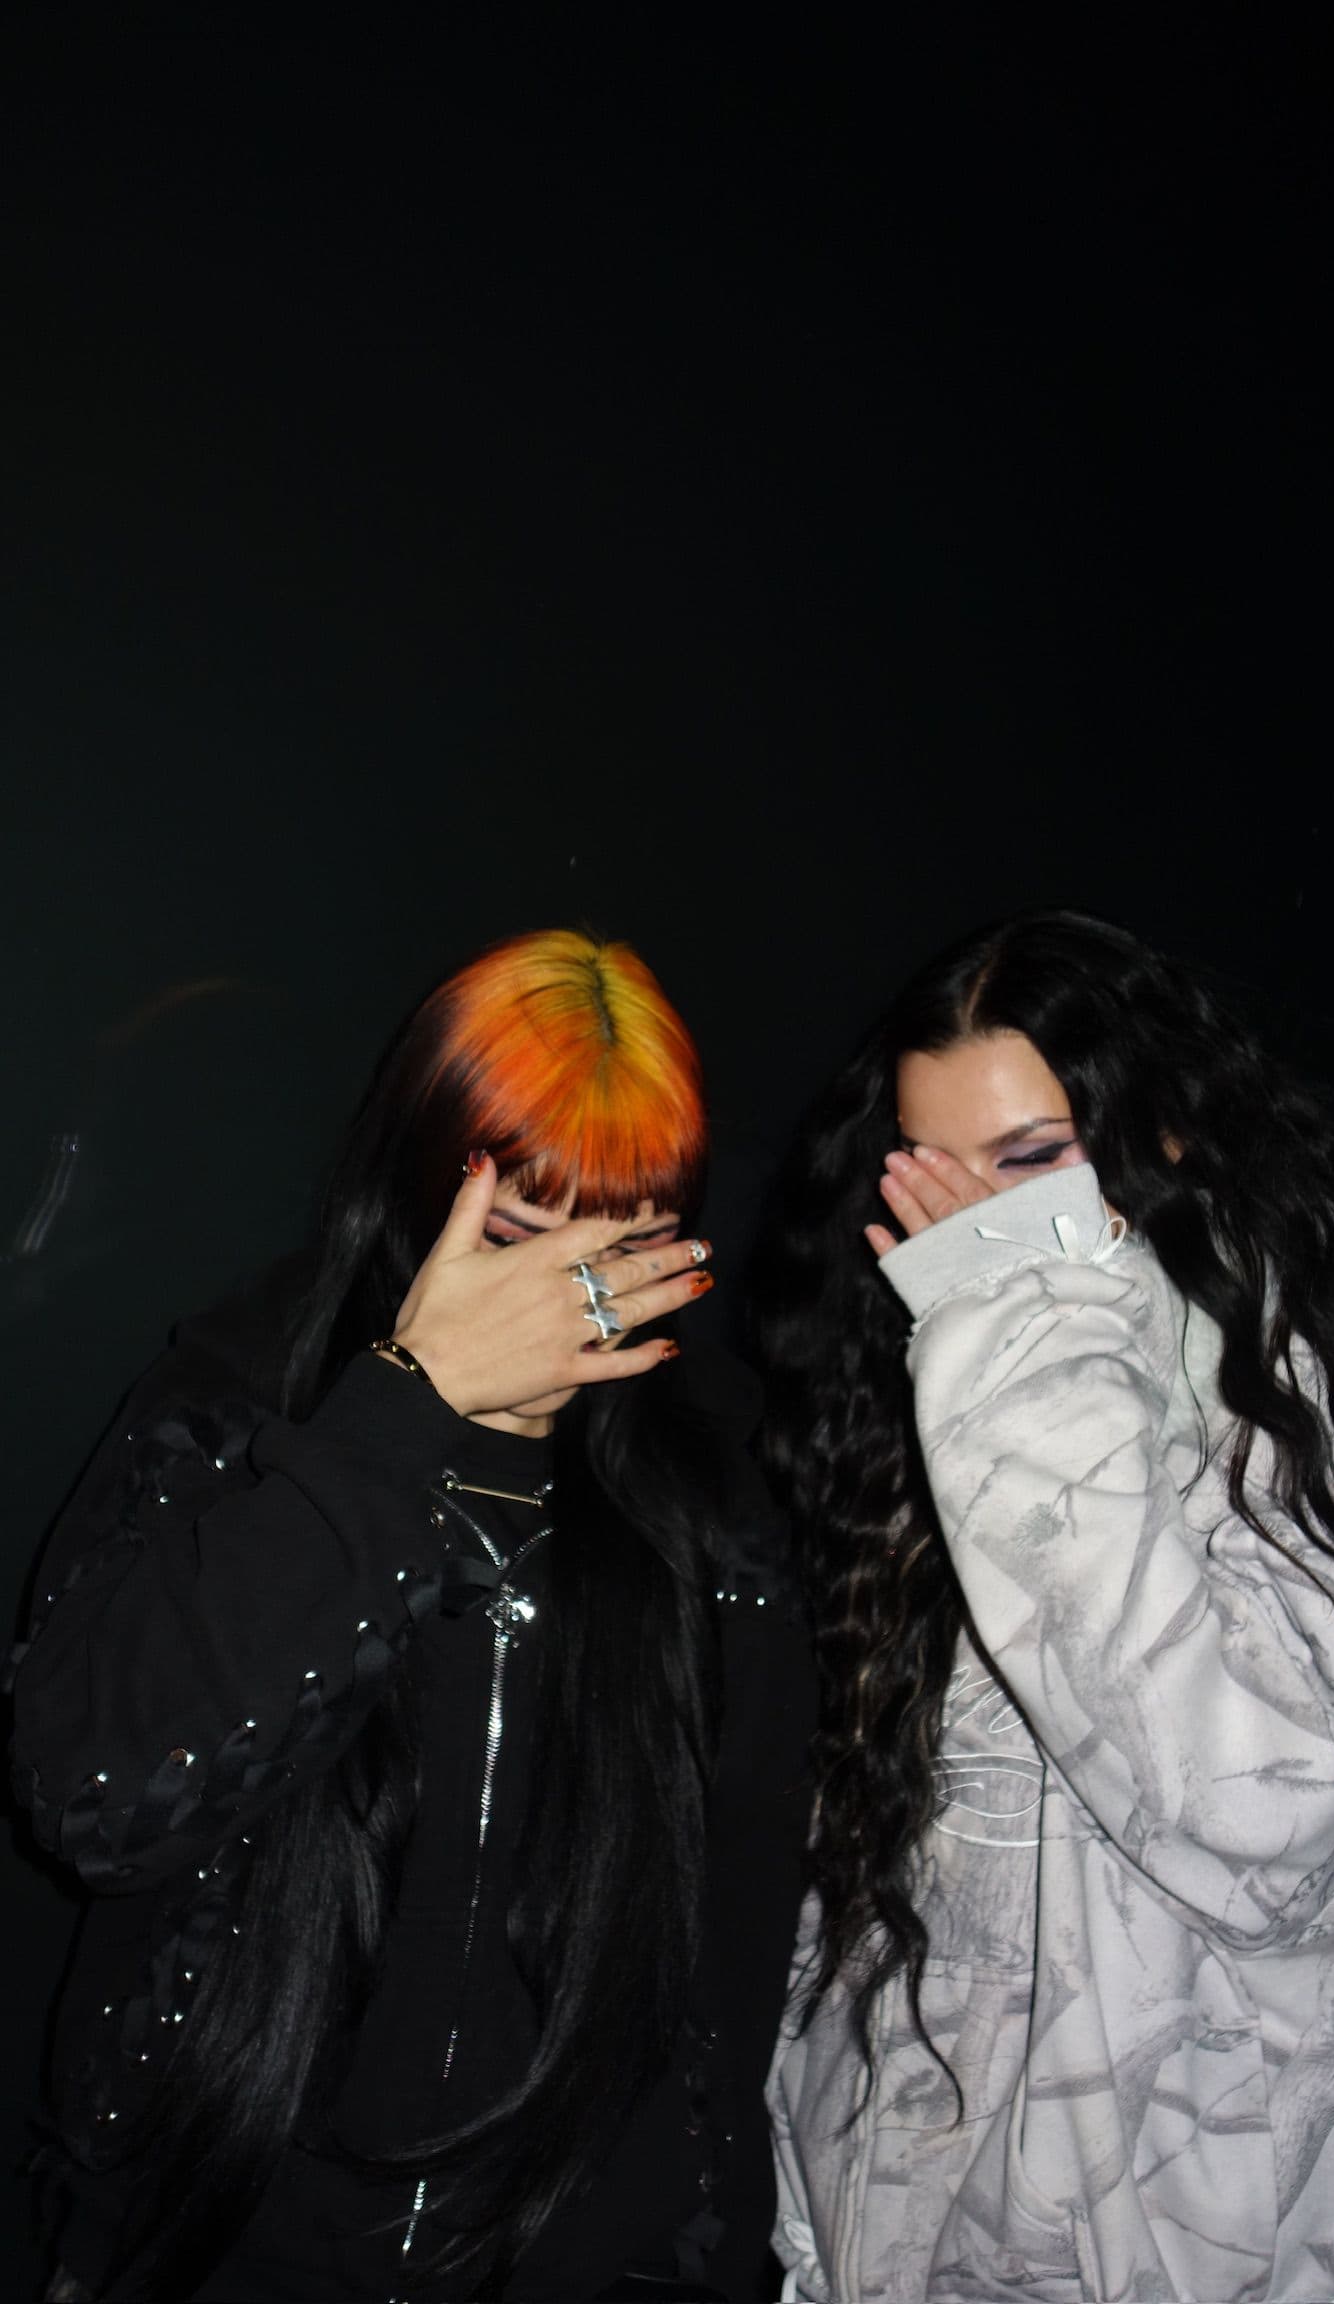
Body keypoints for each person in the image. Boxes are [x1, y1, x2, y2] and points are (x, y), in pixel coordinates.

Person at [10, 929, 813, 2303]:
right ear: (421, 1179)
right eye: (517, 1235)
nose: (562, 1301)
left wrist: (694, 2243)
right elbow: (95, 1799)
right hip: (210, 2241)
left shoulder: (717, 1483)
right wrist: (399, 1414)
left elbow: (740, 1941)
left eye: (619, 1241)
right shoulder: (243, 1404)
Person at [756, 910, 1334, 2304]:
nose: (979, 1219)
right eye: (938, 1170)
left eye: (1031, 1160)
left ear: (1167, 1137)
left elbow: (1253, 1807)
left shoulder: (1288, 1404)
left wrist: (1011, 1339)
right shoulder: (947, 1381)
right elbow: (892, 1876)